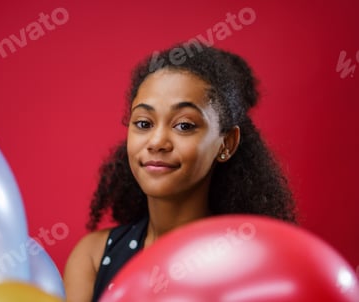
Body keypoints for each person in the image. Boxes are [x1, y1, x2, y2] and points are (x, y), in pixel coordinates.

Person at [63, 42, 298, 302]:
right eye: (143, 123)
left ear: (226, 144)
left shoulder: (249, 264)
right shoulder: (94, 257)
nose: (157, 141)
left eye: (184, 125)